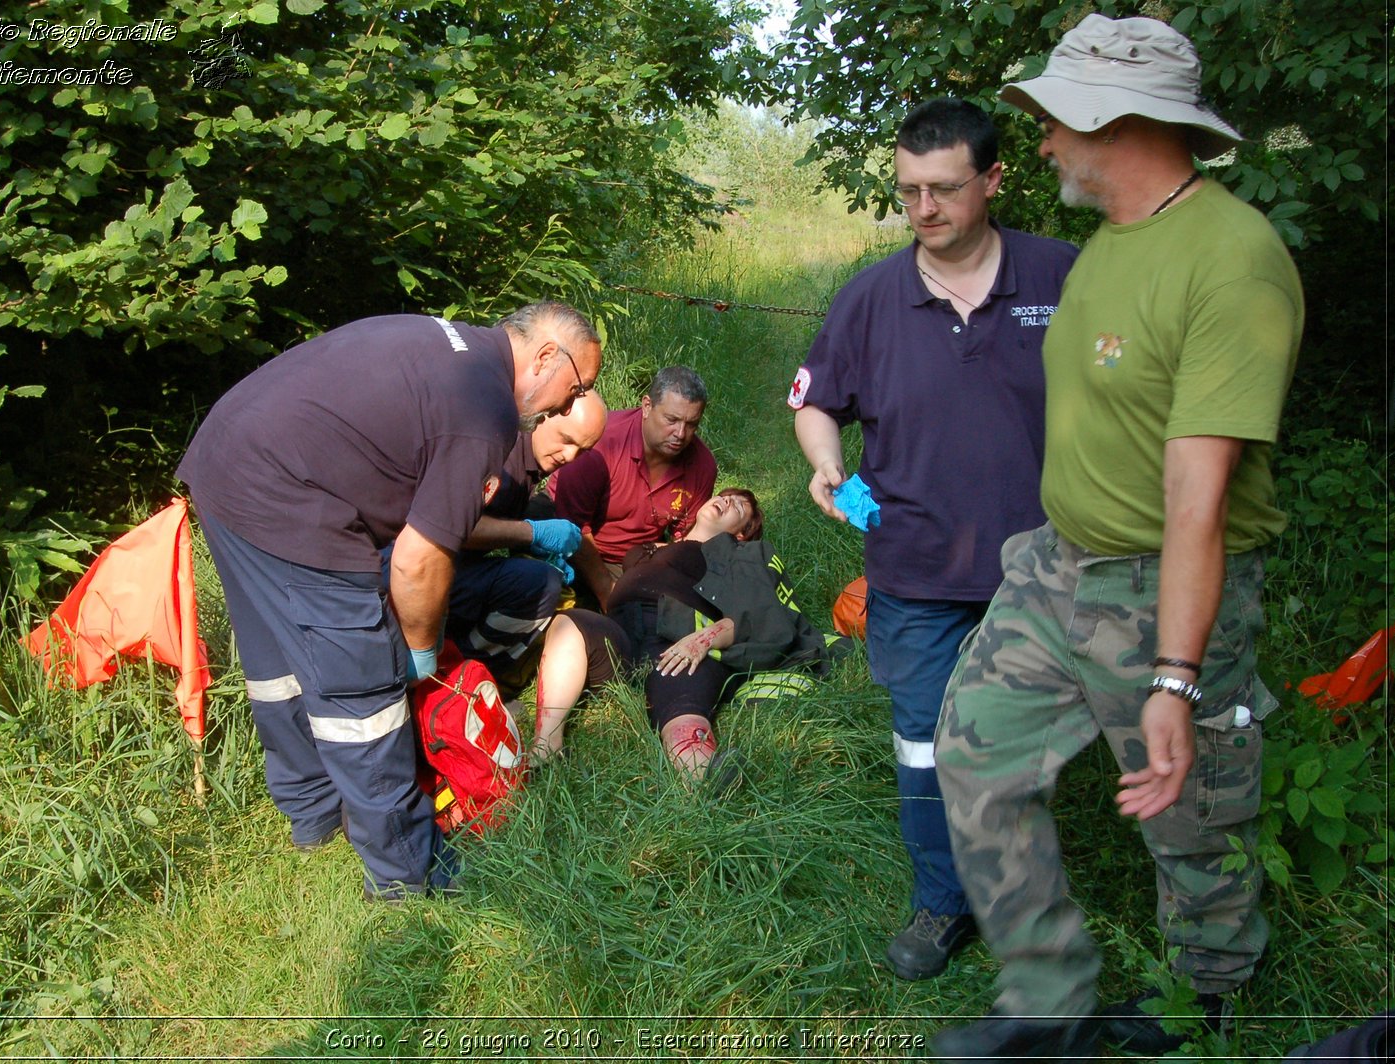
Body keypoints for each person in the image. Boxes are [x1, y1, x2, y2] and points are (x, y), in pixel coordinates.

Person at [928, 15, 1303, 1061]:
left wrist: (1176, 677)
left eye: (1051, 118)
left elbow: (1197, 501)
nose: (1039, 142)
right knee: (974, 746)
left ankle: (1209, 999)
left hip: (1168, 586)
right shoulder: (1112, 244)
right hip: (1055, 564)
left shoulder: (1234, 263)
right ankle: (1049, 1001)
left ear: (1113, 117)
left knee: (1188, 814)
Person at [790, 98, 1078, 981]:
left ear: (993, 181)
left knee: (1022, 745)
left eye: (944, 189)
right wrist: (827, 466)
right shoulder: (872, 298)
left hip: (1043, 570)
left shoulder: (1064, 276)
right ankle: (943, 903)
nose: (923, 209)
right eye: (908, 191)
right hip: (914, 570)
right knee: (923, 740)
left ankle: (1028, 901)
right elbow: (814, 402)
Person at [177, 303, 601, 897]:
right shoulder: (485, 409)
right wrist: (421, 651)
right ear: (546, 357)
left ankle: (313, 811)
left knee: (278, 657)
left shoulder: (447, 342)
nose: (563, 405)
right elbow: (418, 558)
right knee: (364, 691)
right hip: (289, 499)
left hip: (227, 463)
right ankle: (409, 872)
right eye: (576, 387)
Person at [529, 489, 840, 783]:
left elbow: (754, 615)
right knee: (569, 624)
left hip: (675, 640)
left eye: (739, 507)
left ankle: (704, 775)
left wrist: (703, 640)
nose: (726, 501)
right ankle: (546, 746)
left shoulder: (736, 554)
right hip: (620, 634)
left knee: (681, 701)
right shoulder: (651, 550)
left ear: (742, 533)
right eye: (725, 496)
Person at [443, 392, 608, 689]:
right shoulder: (502, 456)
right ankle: (456, 674)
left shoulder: (529, 465)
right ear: (545, 414)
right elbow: (449, 524)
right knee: (537, 583)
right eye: (566, 440)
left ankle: (470, 670)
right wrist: (532, 533)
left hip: (455, 571)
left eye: (582, 450)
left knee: (541, 582)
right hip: (418, 570)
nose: (569, 456)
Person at [549, 365, 717, 606]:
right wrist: (607, 590)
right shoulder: (602, 443)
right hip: (568, 536)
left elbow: (685, 539)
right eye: (672, 420)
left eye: (692, 424)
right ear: (647, 406)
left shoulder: (702, 466)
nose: (680, 433)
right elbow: (573, 525)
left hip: (632, 560)